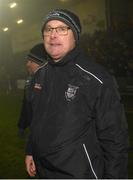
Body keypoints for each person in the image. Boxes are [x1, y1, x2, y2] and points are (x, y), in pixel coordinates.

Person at [25, 9, 129, 179]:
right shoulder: (39, 75)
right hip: (43, 171)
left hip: (79, 173)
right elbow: (36, 119)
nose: (53, 35)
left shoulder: (96, 78)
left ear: (75, 36)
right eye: (48, 29)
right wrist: (30, 150)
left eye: (62, 29)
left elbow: (115, 140)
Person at [18, 43, 47, 137]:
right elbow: (26, 104)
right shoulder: (30, 80)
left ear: (41, 63)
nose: (27, 64)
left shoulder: (51, 81)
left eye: (31, 61)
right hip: (35, 130)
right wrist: (22, 125)